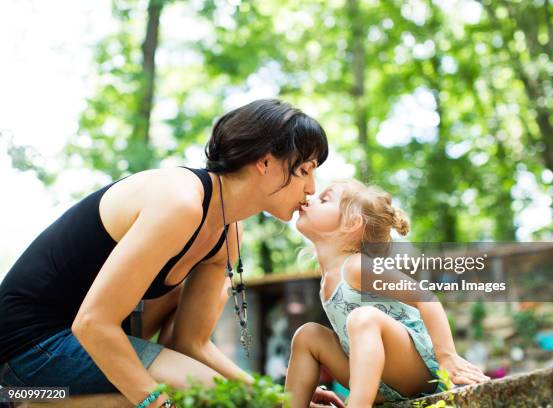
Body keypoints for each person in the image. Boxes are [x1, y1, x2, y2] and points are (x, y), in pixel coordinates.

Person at [0, 99, 329, 408]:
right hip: (25, 351)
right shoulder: (179, 201)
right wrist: (155, 402)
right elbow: (92, 324)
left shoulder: (229, 231)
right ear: (265, 161)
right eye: (304, 170)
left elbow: (191, 343)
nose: (312, 187)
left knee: (218, 395)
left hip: (80, 347)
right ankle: (27, 400)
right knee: (200, 396)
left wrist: (276, 399)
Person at [285, 179, 490, 407]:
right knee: (307, 335)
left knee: (363, 317)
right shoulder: (326, 278)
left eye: (324, 199)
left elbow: (426, 298)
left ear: (352, 222)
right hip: (376, 381)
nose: (311, 199)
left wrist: (447, 357)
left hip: (416, 371)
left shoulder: (356, 266)